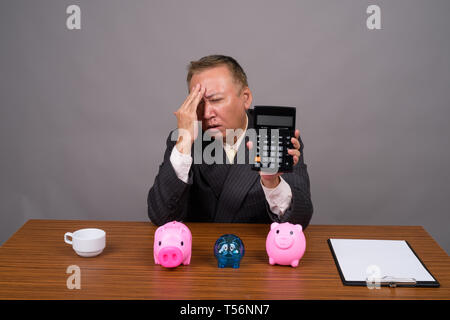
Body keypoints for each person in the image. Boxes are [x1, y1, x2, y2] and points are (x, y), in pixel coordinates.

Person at [147, 55, 313, 229]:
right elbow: (161, 217)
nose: (206, 114)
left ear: (246, 98)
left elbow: (299, 220)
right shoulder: (185, 139)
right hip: (200, 251)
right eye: (198, 103)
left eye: (216, 100)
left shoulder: (277, 137)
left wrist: (272, 183)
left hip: (258, 251)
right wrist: (183, 144)